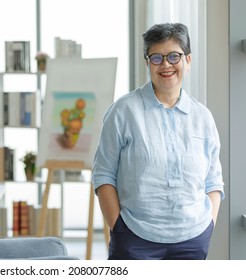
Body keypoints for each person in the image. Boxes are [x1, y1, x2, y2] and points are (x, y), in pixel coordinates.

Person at [91, 22, 224, 260]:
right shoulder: (123, 111)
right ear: (147, 63)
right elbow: (103, 175)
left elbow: (213, 181)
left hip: (192, 239)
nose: (165, 65)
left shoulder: (203, 117)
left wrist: (208, 225)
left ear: (188, 61)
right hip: (134, 238)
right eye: (156, 57)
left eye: (174, 56)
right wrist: (119, 228)